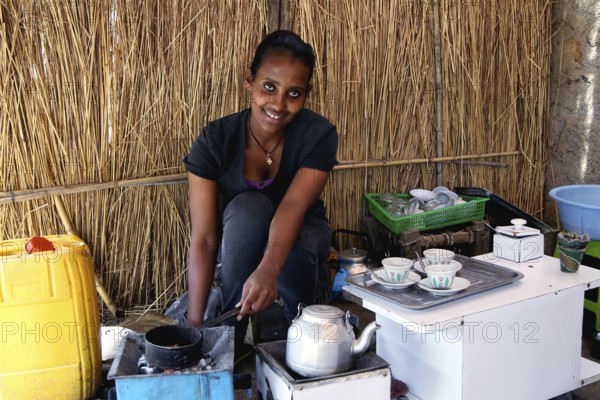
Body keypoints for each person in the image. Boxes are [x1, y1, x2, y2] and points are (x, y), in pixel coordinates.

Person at [182, 30, 339, 355]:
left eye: (293, 93)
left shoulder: (318, 135)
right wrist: (194, 324)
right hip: (242, 239)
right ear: (249, 79)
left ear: (306, 93)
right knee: (248, 208)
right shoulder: (215, 142)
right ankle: (229, 339)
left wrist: (269, 269)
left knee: (294, 245)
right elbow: (205, 238)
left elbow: (294, 205)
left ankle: (302, 338)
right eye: (269, 87)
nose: (279, 104)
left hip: (304, 233)